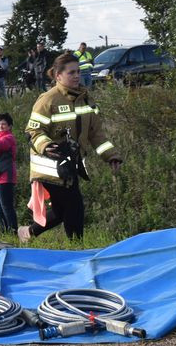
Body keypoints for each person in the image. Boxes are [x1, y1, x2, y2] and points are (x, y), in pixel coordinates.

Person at [19, 52, 122, 242]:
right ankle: (77, 249)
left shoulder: (87, 100)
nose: (77, 76)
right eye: (71, 72)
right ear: (58, 75)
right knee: (74, 206)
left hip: (70, 165)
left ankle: (27, 232)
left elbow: (96, 134)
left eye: (78, 72)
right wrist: (46, 145)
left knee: (60, 211)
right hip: (49, 165)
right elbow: (32, 131)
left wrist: (111, 156)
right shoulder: (48, 100)